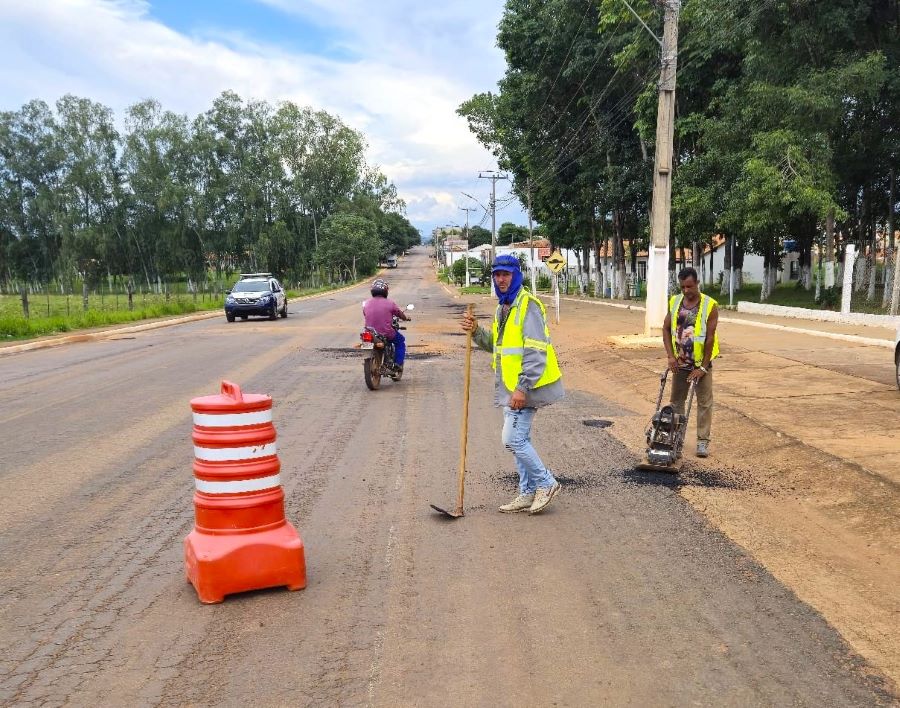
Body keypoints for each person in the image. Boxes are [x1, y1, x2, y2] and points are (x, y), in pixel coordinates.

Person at [461, 254, 564, 514]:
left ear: (516, 275)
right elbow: (495, 345)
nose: (501, 279)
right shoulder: (503, 307)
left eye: (506, 274)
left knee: (513, 440)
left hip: (526, 386)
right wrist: (475, 331)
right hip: (511, 386)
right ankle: (527, 492)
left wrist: (522, 388)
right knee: (520, 439)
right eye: (497, 274)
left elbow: (536, 351)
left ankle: (546, 482)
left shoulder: (527, 305)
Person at [662, 266, 720, 458]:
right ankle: (676, 438)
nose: (686, 291)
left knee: (704, 403)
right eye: (683, 287)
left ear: (697, 283)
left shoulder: (709, 305)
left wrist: (702, 367)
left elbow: (710, 338)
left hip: (700, 364)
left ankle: (702, 442)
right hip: (680, 363)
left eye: (689, 286)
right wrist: (671, 356)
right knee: (676, 402)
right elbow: (665, 329)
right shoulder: (675, 302)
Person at [363, 278, 410, 373]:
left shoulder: (366, 303)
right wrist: (405, 318)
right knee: (400, 341)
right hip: (385, 333)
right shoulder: (390, 303)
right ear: (385, 291)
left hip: (369, 333)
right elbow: (399, 313)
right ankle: (397, 364)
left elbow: (365, 314)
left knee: (366, 343)